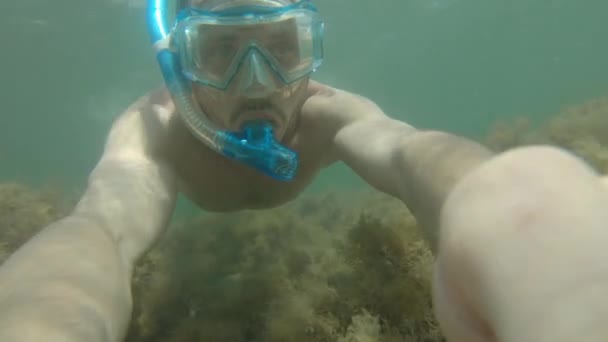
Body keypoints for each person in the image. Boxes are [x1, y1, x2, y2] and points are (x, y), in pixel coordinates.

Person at [0, 0, 607, 341]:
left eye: (281, 48)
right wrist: (46, 317)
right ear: (180, 65)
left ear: (309, 51)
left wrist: (528, 222)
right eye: (220, 53)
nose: (258, 82)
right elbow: (101, 228)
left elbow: (406, 152)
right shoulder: (155, 131)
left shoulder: (329, 116)